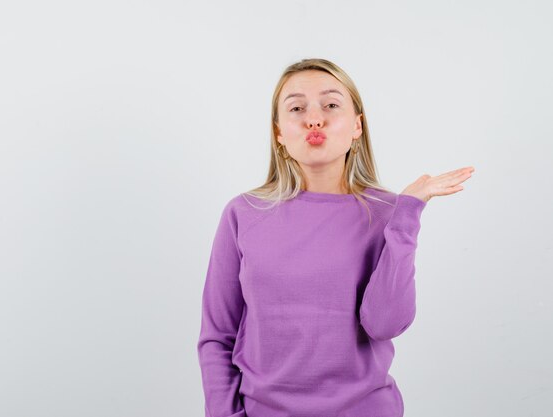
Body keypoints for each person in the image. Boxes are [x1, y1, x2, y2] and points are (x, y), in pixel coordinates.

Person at [196, 58, 475, 417]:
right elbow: (218, 338)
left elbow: (386, 323)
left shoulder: (388, 213)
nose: (314, 119)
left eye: (330, 105)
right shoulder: (243, 213)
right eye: (296, 108)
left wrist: (408, 214)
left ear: (357, 126)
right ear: (279, 132)